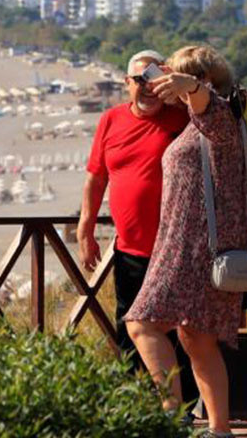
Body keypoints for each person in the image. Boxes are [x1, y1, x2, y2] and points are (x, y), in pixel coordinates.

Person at [123, 45, 247, 438]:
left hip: (195, 247)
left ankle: (173, 418)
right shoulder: (203, 123)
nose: (168, 87)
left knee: (142, 324)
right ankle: (219, 430)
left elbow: (203, 101)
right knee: (196, 338)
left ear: (204, 81)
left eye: (174, 78)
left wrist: (190, 85)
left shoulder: (217, 116)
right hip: (197, 245)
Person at [78, 49, 197, 405]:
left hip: (175, 249)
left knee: (179, 332)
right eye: (139, 81)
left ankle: (182, 409)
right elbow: (96, 177)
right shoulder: (110, 120)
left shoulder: (184, 119)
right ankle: (140, 406)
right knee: (129, 332)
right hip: (129, 249)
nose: (147, 88)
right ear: (127, 83)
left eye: (154, 79)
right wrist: (85, 227)